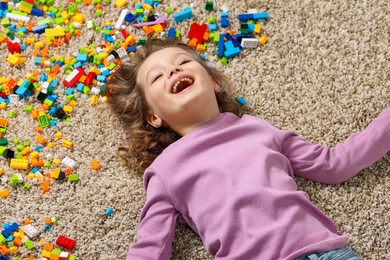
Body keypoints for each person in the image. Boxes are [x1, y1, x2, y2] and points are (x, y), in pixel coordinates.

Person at [107, 38, 389, 260]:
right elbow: (152, 245)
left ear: (215, 83)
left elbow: (333, 164)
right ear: (153, 116)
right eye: (157, 77)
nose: (173, 69)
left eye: (182, 61)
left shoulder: (257, 129)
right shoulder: (165, 171)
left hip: (327, 252)